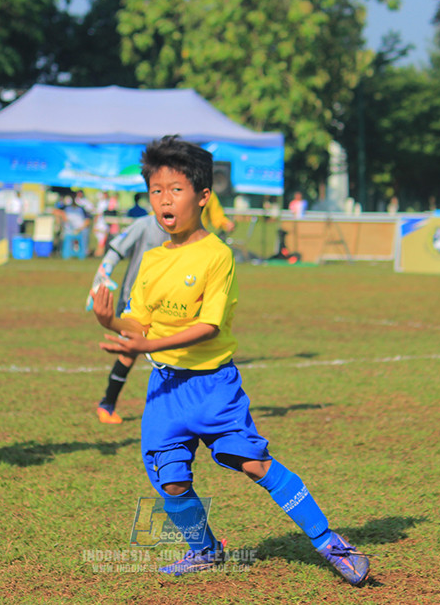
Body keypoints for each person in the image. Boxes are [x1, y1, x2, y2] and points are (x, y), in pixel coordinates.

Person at [89, 135, 370, 584]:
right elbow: (138, 326)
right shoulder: (152, 260)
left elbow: (209, 326)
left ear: (202, 196)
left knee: (253, 463)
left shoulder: (217, 255)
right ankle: (203, 551)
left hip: (212, 387)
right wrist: (113, 324)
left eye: (175, 190)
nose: (164, 199)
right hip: (164, 390)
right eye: (156, 190)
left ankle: (328, 541)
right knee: (170, 480)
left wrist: (142, 346)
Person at [87, 214, 169, 423]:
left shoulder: (185, 229)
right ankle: (107, 404)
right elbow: (116, 249)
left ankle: (108, 404)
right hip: (133, 301)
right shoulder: (144, 225)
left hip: (167, 301)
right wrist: (102, 273)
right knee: (130, 351)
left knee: (163, 352)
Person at [53, 191, 91, 259]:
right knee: (66, 237)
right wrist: (62, 216)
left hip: (80, 230)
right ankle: (65, 254)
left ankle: (83, 254)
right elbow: (55, 211)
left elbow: (88, 221)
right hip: (68, 230)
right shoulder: (66, 208)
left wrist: (79, 229)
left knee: (84, 234)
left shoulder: (81, 209)